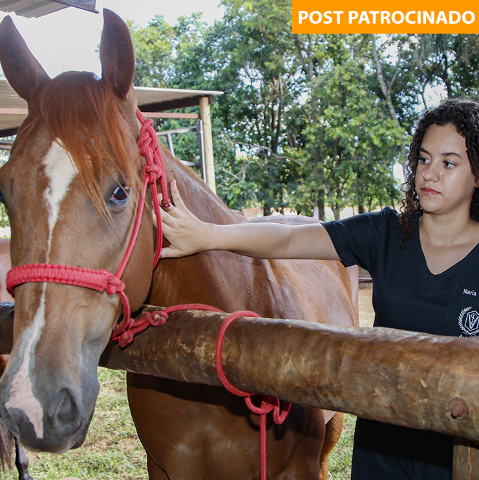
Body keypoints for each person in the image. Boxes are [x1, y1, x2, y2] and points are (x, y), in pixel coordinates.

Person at [159, 98, 479, 480]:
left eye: (449, 163)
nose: (429, 174)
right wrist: (208, 234)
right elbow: (286, 241)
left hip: (463, 447)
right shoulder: (386, 233)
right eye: (423, 159)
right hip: (384, 440)